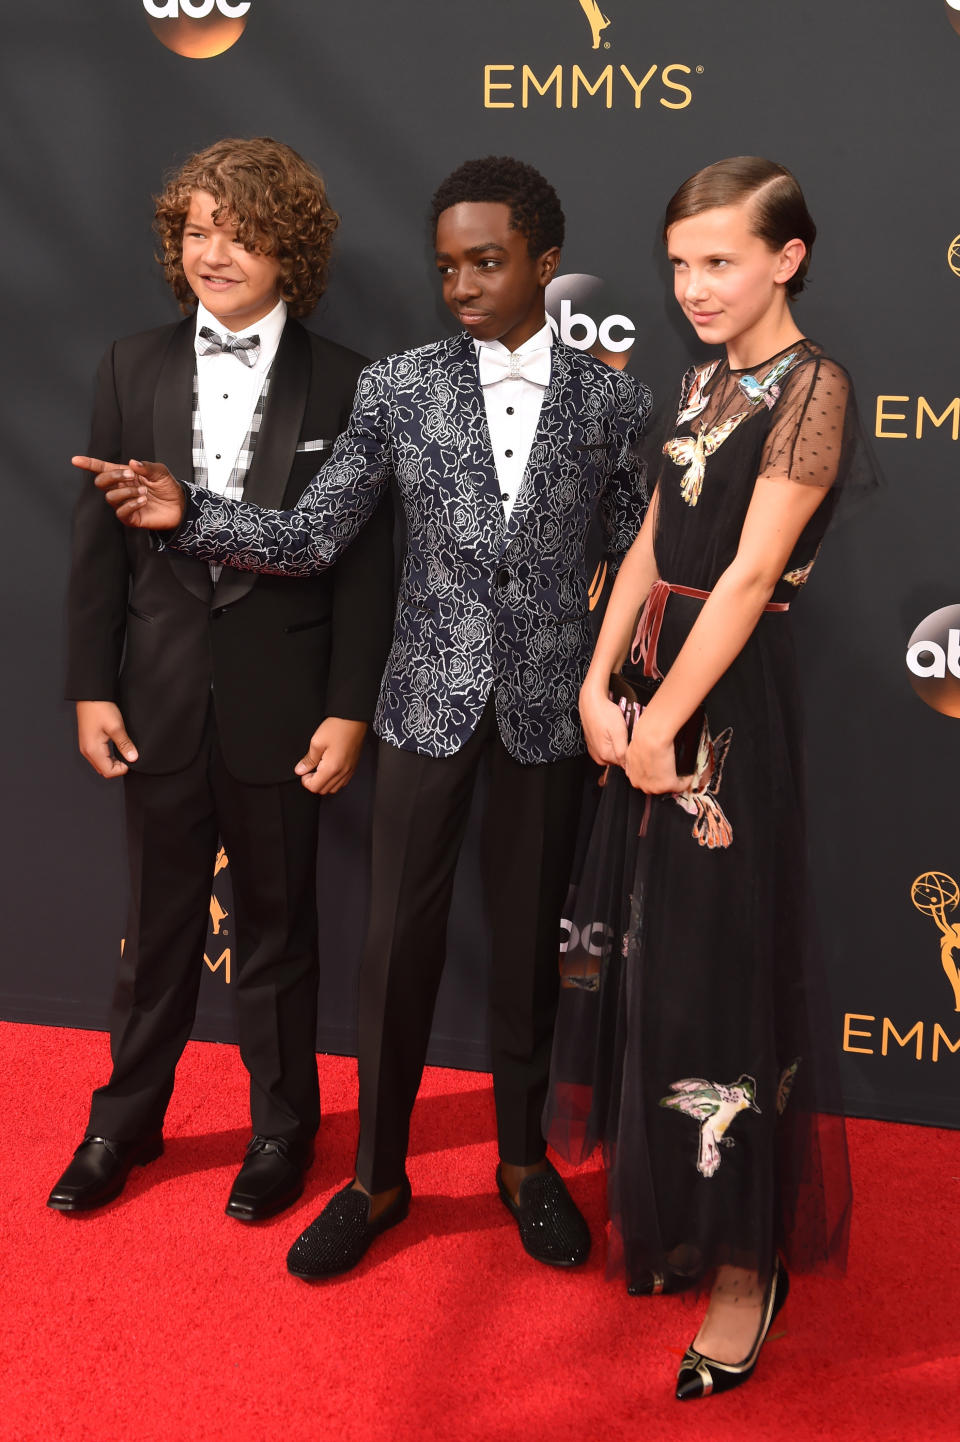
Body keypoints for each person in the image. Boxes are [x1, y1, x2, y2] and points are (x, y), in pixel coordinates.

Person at [75, 156, 652, 1275]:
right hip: (421, 701)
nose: (464, 285)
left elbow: (632, 560)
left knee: (535, 947)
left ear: (545, 260)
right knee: (395, 950)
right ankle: (377, 1177)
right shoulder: (400, 385)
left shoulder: (614, 401)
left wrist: (626, 685)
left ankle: (524, 1164)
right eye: (448, 267)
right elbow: (314, 536)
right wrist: (191, 511)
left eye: (488, 261)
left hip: (549, 710)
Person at [545, 156, 873, 1400]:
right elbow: (650, 539)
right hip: (647, 687)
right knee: (651, 959)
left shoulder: (815, 387)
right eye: (680, 263)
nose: (693, 285)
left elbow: (745, 574)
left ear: (788, 257)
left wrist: (661, 724)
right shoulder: (701, 373)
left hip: (722, 706)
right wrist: (596, 687)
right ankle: (673, 1205)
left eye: (721, 260)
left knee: (722, 964)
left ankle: (746, 1264)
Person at [49, 138, 394, 1222]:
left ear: (287, 248)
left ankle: (284, 1128)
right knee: (153, 930)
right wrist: (90, 686)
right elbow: (96, 545)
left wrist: (347, 707)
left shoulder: (348, 382)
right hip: (154, 695)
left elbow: (363, 565)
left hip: (284, 708)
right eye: (198, 230)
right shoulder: (128, 364)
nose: (215, 251)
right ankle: (123, 1120)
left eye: (240, 232)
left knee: (281, 933)